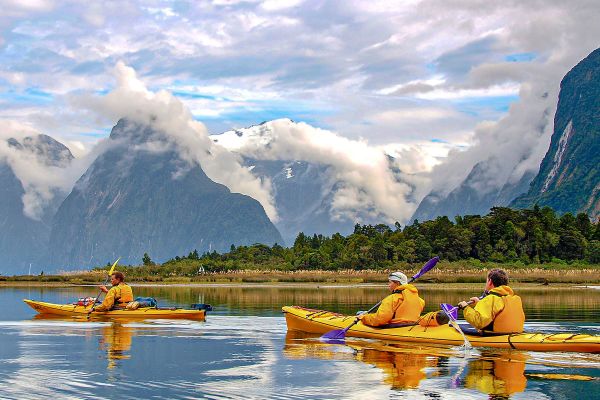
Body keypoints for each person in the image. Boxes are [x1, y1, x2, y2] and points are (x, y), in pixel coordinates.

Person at [458, 268, 525, 333]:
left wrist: (465, 308)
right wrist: (479, 303)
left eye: (486, 281)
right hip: (516, 335)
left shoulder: (490, 299)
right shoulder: (515, 298)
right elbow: (496, 308)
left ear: (490, 282)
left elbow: (479, 322)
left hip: (496, 336)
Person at [358, 271, 425, 327]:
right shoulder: (420, 300)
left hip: (396, 327)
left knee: (360, 314)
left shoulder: (391, 299)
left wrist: (363, 317)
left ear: (398, 283)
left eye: (390, 282)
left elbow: (380, 319)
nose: (388, 284)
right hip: (413, 325)